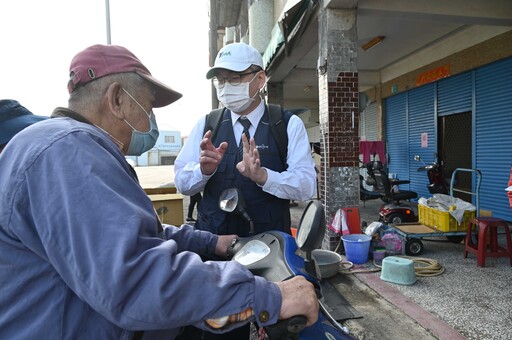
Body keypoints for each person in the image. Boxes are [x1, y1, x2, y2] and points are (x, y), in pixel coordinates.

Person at [0, 44, 318, 339]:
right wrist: (268, 298)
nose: (151, 120)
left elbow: (137, 233)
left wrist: (212, 241)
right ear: (117, 100)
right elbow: (134, 279)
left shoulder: (72, 148)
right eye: (149, 106)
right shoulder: (67, 153)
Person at [173, 42, 317, 339]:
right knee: (221, 328)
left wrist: (263, 176)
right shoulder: (207, 124)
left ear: (260, 79)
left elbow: (306, 185)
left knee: (278, 325)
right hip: (217, 246)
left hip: (270, 251)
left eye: (235, 78)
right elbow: (181, 181)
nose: (226, 87)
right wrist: (204, 170)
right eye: (221, 80)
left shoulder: (285, 124)